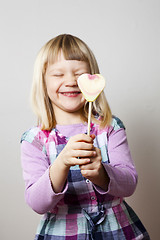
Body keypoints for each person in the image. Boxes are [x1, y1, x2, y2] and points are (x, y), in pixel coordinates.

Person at [21, 34, 150, 240]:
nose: (70, 81)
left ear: (93, 79)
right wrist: (61, 163)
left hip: (117, 231)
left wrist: (102, 173)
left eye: (79, 73)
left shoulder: (110, 127)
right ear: (43, 82)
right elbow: (37, 203)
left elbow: (129, 185)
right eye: (58, 74)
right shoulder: (34, 140)